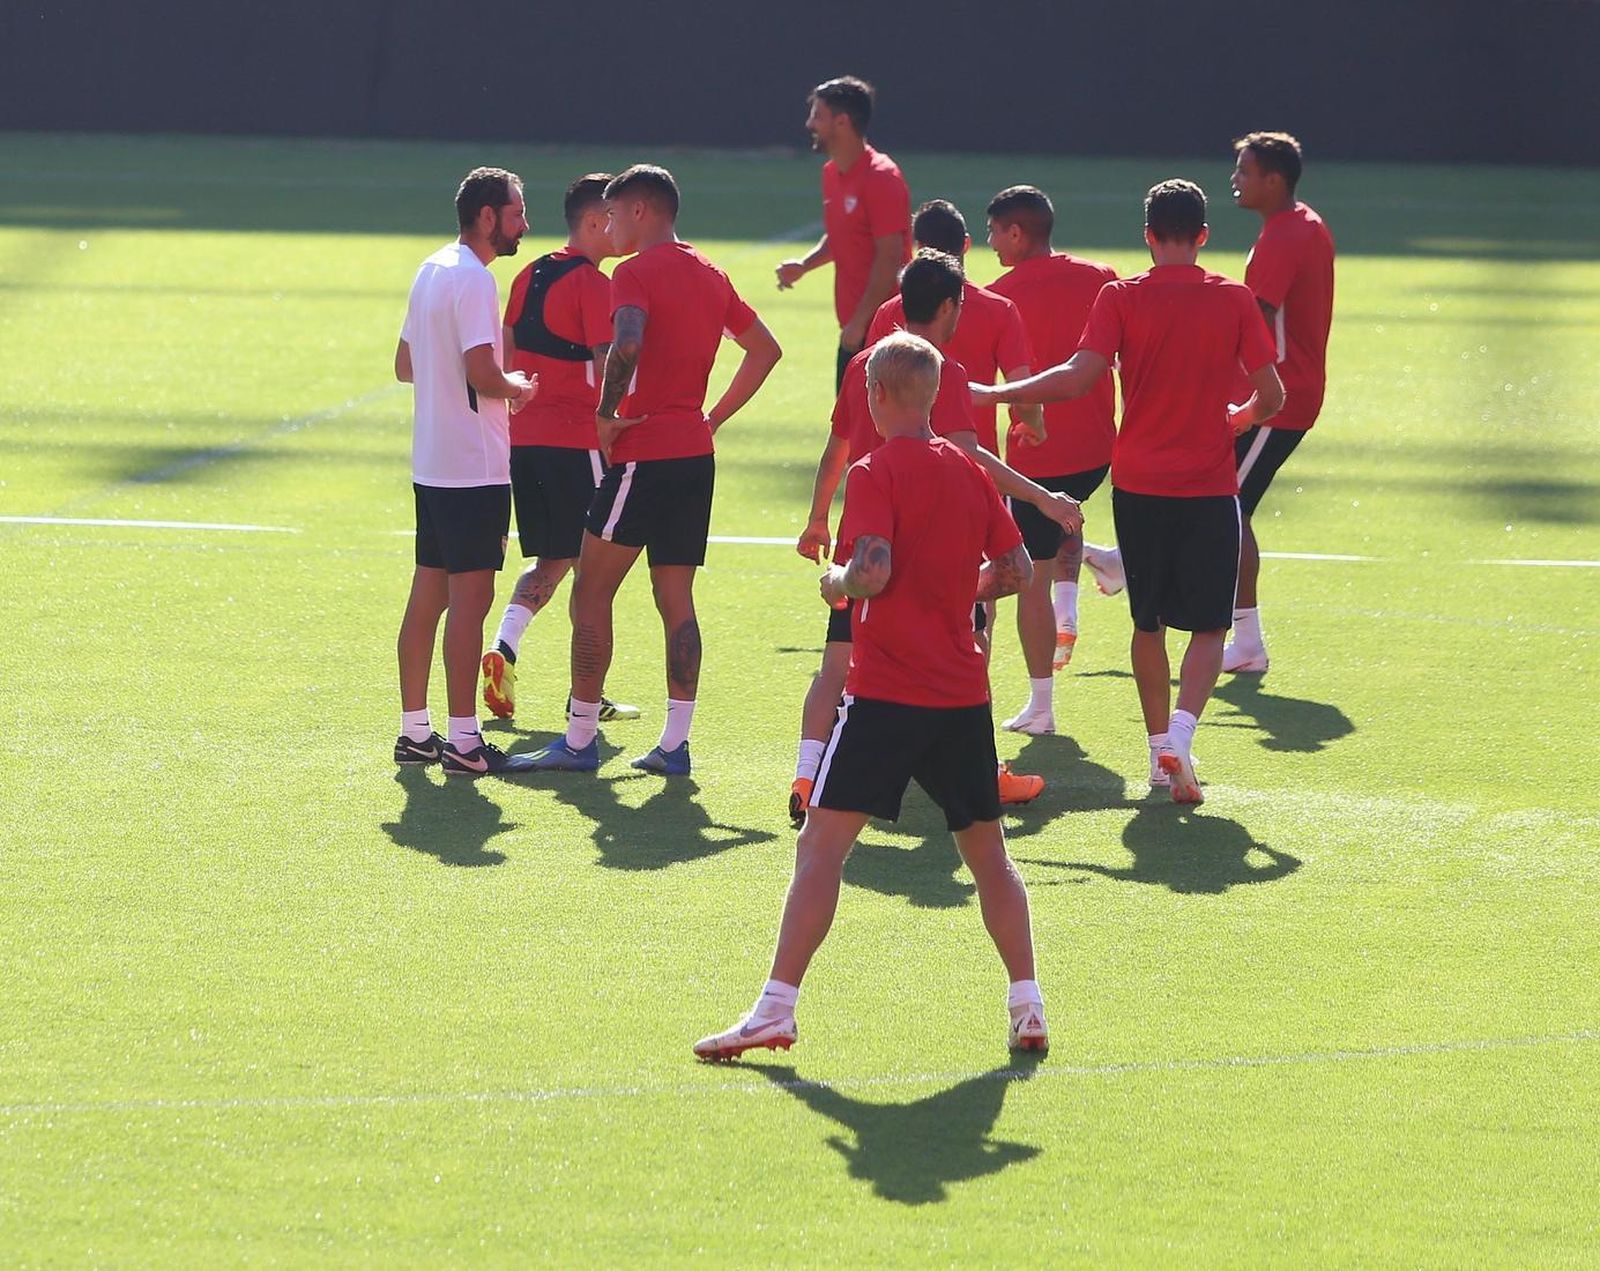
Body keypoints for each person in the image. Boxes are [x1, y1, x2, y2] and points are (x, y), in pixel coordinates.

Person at [696, 332, 1049, 1062]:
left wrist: (836, 582)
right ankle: (1027, 1005)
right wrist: (963, 591)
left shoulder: (875, 470)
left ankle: (775, 1008)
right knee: (989, 856)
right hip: (960, 697)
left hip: (885, 692)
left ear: (879, 395)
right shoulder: (969, 470)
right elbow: (1016, 569)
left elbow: (875, 569)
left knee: (821, 846)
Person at [974, 180, 1283, 802]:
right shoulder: (1233, 300)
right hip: (1205, 484)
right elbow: (1274, 395)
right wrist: (1243, 415)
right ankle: (1181, 736)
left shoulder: (1120, 297)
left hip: (1138, 484)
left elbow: (1075, 377)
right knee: (1206, 627)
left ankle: (1152, 752)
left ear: (1147, 236)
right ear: (1202, 235)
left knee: (1148, 625)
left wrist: (995, 394)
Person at [790, 249, 1081, 823]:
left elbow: (838, 448)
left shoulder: (864, 367)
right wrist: (1042, 498)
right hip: (933, 545)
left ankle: (807, 775)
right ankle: (981, 773)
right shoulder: (939, 371)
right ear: (952, 306)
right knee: (964, 655)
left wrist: (818, 516)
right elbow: (970, 460)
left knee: (836, 665)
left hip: (863, 539)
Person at [529, 165, 782, 776]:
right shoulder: (711, 273)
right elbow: (765, 350)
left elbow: (631, 342)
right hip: (695, 457)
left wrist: (606, 413)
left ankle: (581, 739)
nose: (608, 225)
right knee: (677, 600)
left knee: (590, 591)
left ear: (641, 211)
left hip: (644, 455)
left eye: (614, 214)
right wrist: (711, 419)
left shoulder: (632, 273)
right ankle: (674, 744)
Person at [393, 167, 539, 778]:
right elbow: (483, 373)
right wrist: (519, 387)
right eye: (516, 213)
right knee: (470, 605)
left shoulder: (431, 269)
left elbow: (405, 364)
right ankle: (464, 743)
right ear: (488, 216)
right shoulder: (477, 281)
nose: (524, 225)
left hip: (432, 463)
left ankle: (415, 732)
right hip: (474, 470)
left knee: (427, 598)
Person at [479, 174, 640, 726]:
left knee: (554, 560)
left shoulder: (529, 273)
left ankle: (504, 647)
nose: (623, 230)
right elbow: (609, 363)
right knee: (594, 571)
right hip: (577, 444)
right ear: (595, 222)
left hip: (525, 442)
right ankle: (585, 696)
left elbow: (508, 349)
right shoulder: (594, 285)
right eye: (616, 218)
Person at [983, 184, 1118, 734]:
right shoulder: (1102, 278)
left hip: (1037, 457)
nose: (990, 242)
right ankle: (1096, 570)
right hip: (1098, 451)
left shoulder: (995, 297)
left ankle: (1041, 704)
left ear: (1017, 232)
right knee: (1065, 515)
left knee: (1028, 576)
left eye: (994, 232)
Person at [1225, 131, 1336, 673]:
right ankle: (1128, 565)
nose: (1235, 180)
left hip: (1279, 398)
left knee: (1227, 507)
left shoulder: (1283, 238)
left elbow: (1258, 321)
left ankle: (1247, 641)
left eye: (1244, 171)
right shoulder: (1301, 223)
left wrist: (1229, 387)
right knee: (1214, 493)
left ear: (1274, 179)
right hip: (1288, 388)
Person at [775, 76, 911, 390]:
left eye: (817, 116)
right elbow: (842, 235)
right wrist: (805, 265)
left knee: (881, 433)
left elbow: (889, 257)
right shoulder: (831, 173)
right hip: (854, 326)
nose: (810, 123)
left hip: (886, 332)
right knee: (849, 433)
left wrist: (861, 322)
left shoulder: (882, 177)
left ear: (842, 122)